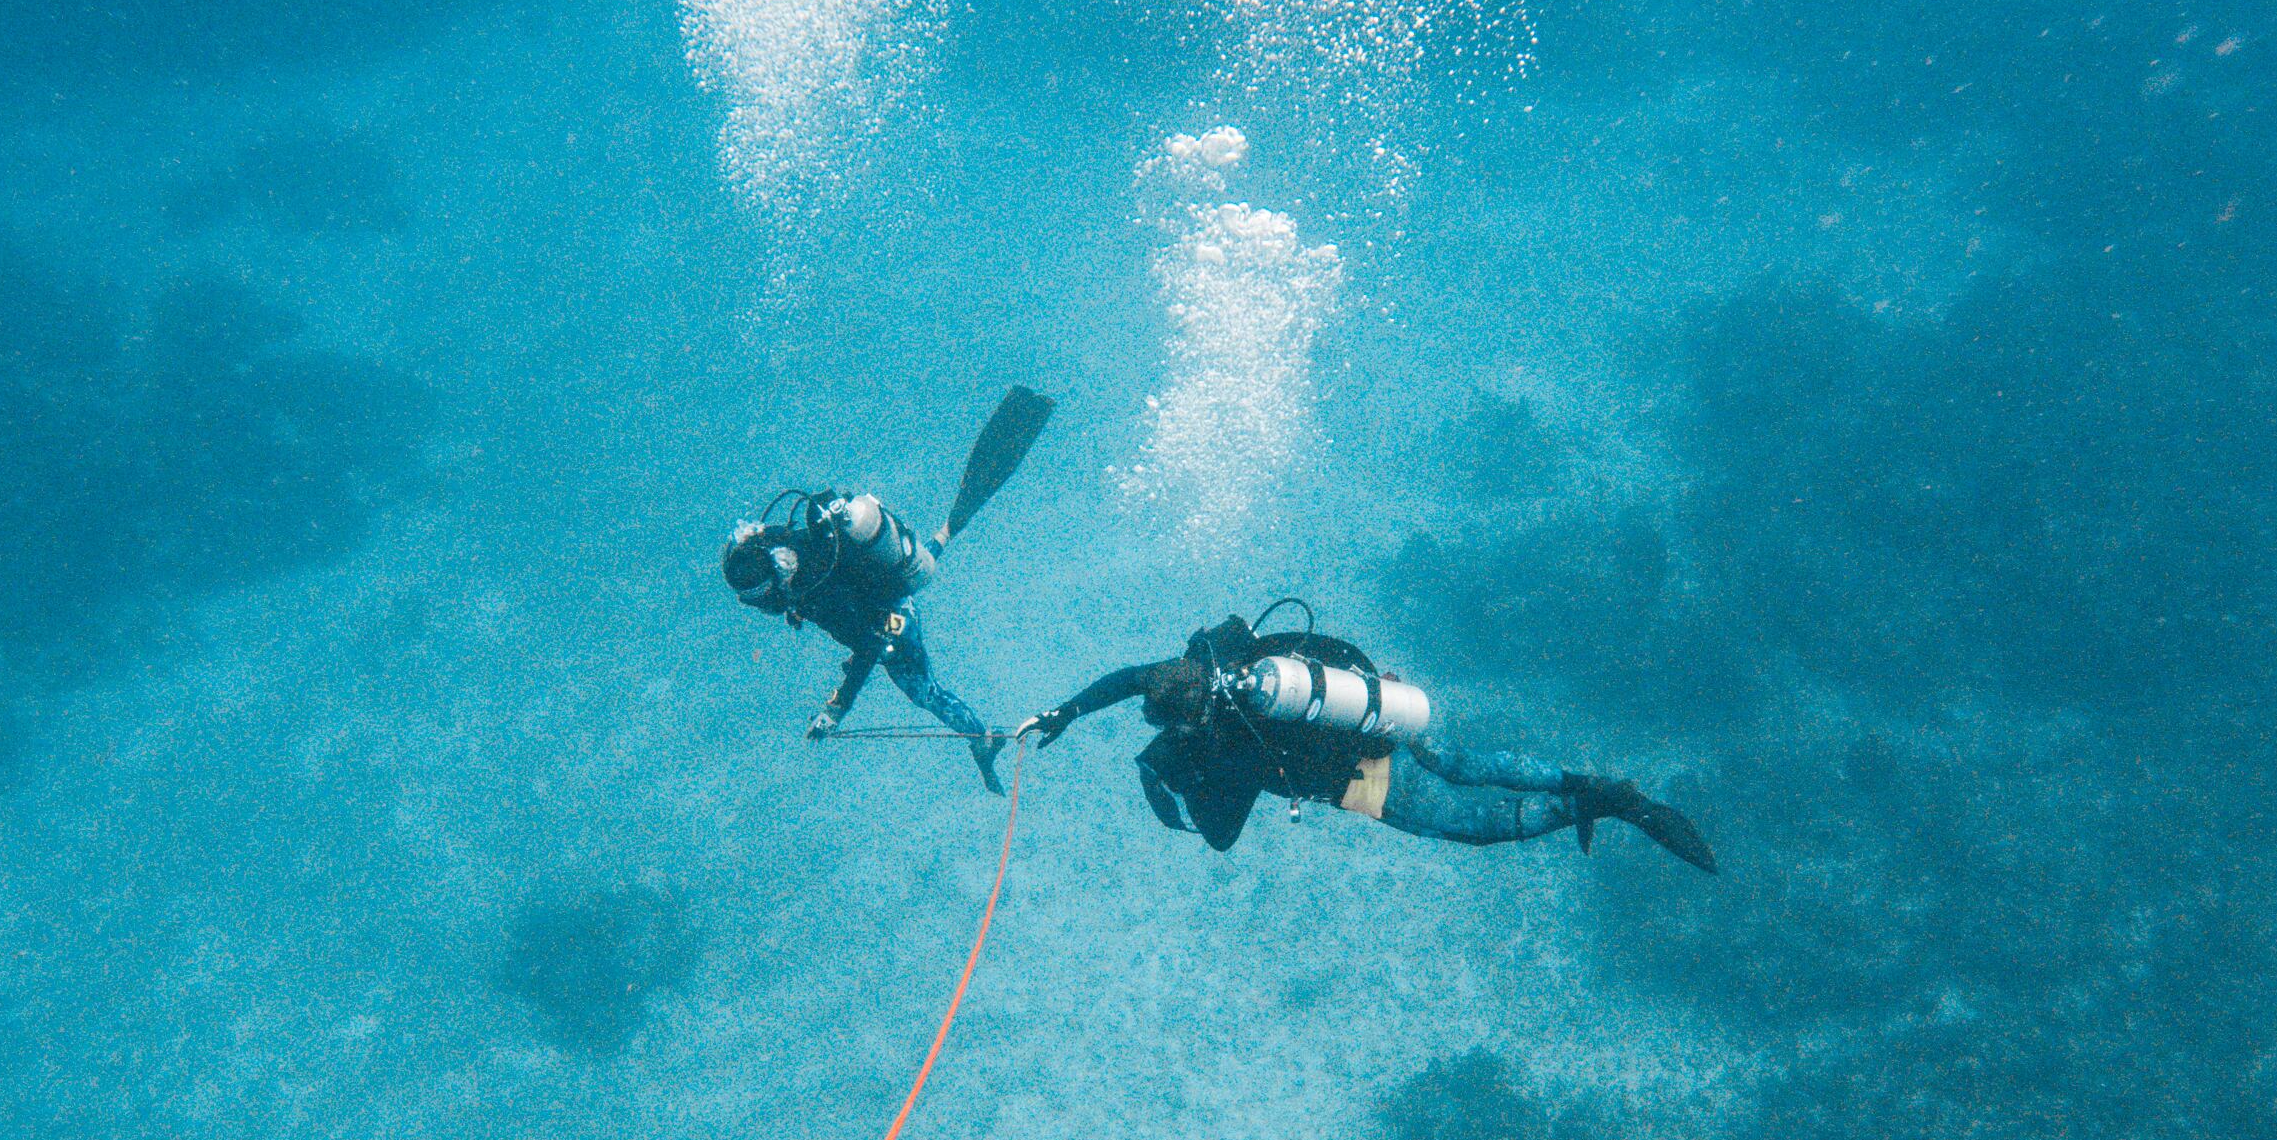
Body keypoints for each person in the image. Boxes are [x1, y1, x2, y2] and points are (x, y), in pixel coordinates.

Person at [1020, 608, 1715, 867]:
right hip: (1380, 709)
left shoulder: (1229, 743)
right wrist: (1066, 712)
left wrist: (1170, 771)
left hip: (1360, 779)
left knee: (1474, 826)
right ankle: (1586, 784)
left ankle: (1597, 804)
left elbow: (1221, 835)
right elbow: (1130, 678)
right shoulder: (1215, 654)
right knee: (1466, 763)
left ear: (1185, 717)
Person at [719, 389, 1053, 796]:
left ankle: (984, 740)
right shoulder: (783, 543)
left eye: (759, 595)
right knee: (898, 603)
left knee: (920, 688)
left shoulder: (819, 596)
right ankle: (943, 536)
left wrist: (836, 707)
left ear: (776, 575)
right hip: (876, 590)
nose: (759, 604)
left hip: (893, 617)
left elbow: (867, 647)